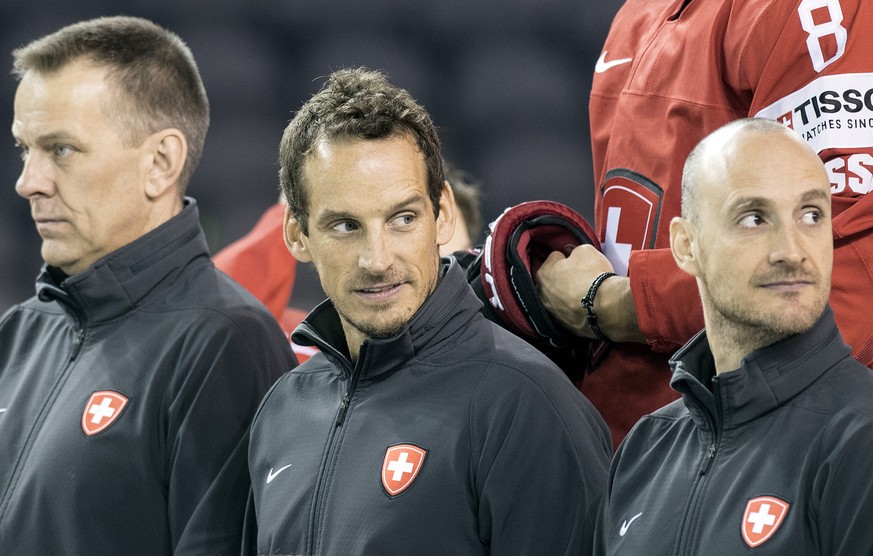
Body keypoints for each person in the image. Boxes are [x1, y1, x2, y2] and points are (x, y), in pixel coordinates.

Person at [245, 67, 611, 555]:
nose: (378, 260)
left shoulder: (528, 405)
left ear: (442, 214)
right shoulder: (281, 411)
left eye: (402, 219)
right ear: (297, 233)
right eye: (344, 226)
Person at [0, 16, 295, 554]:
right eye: (25, 149)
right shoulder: (18, 332)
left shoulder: (226, 342)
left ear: (161, 162)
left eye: (62, 149)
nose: (28, 182)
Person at [536, 0, 873, 447]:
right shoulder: (635, 15)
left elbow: (843, 278)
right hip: (642, 447)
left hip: (768, 449)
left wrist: (611, 303)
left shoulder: (811, 9)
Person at [594, 118, 873, 555]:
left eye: (811, 214)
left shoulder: (862, 439)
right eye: (754, 218)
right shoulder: (644, 450)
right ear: (686, 246)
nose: (792, 251)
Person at [213, 159, 484, 362]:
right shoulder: (306, 354)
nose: (384, 264)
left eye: (445, 261)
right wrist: (301, 209)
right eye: (350, 224)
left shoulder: (490, 371)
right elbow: (216, 321)